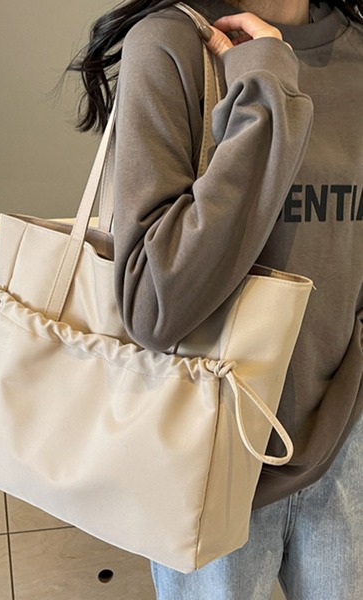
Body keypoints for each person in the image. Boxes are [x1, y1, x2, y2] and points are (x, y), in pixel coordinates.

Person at [68, 1, 363, 598]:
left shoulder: (356, 49)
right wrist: (265, 90)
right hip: (208, 451)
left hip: (349, 438)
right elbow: (154, 306)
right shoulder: (171, 44)